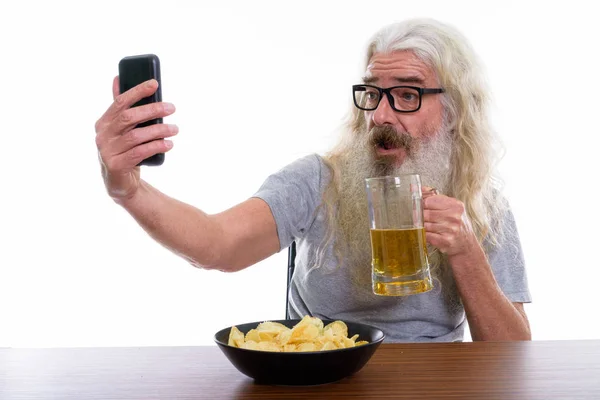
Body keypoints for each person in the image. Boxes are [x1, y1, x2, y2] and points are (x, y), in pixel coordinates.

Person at [94, 18, 532, 342]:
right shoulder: (318, 180)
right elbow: (217, 245)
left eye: (406, 95)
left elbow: (513, 354)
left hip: (433, 385)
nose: (379, 115)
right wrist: (129, 190)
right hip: (326, 380)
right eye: (373, 93)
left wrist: (465, 249)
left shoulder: (479, 202)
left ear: (455, 109)